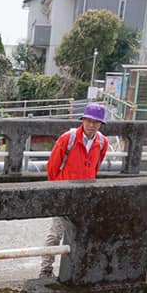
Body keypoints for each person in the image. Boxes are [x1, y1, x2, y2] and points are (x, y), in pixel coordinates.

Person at [39, 102, 109, 278]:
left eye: (96, 122)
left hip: (86, 194)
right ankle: (46, 269)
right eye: (89, 121)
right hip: (64, 193)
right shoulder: (68, 139)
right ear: (83, 120)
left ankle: (79, 267)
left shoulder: (102, 142)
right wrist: (57, 190)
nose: (92, 125)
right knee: (56, 233)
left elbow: (96, 166)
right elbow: (52, 167)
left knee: (84, 233)